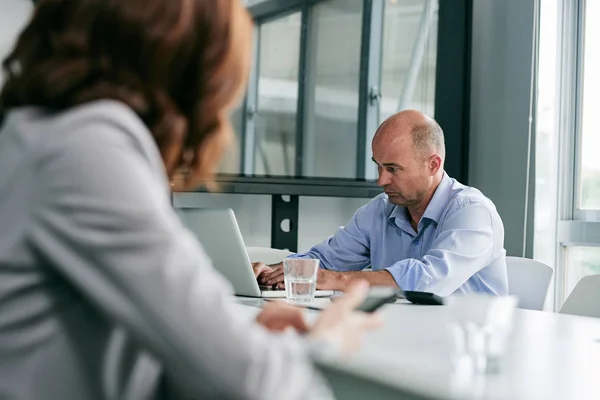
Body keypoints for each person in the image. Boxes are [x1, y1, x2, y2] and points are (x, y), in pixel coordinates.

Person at [0, 1, 381, 399]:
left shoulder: (37, 134)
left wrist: (230, 342)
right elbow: (266, 389)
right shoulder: (85, 148)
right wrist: (326, 343)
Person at [254, 110, 508, 297]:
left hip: (468, 355)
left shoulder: (473, 213)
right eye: (378, 166)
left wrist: (331, 279)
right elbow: (328, 260)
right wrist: (272, 272)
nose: (381, 180)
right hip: (403, 341)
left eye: (392, 168)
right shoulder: (381, 209)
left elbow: (427, 280)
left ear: (433, 164)